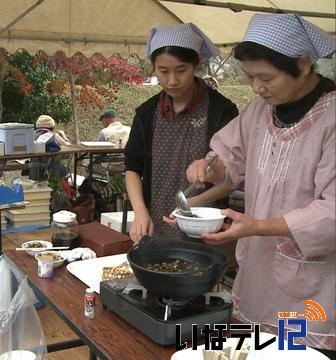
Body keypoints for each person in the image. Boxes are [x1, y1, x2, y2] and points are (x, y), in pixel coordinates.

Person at [186, 14, 335, 355]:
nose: (256, 88)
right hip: (258, 273)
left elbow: (332, 211)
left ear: (303, 64)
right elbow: (230, 158)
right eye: (250, 77)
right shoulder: (261, 110)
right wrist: (210, 166)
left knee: (297, 352)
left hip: (316, 285)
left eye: (265, 78)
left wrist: (257, 226)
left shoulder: (332, 119)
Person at [124, 23, 239, 242]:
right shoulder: (147, 113)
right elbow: (132, 167)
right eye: (163, 71)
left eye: (181, 70)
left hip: (206, 226)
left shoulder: (221, 111)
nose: (172, 80)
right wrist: (140, 212)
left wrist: (191, 206)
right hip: (155, 224)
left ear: (197, 63)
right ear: (154, 67)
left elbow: (234, 175)